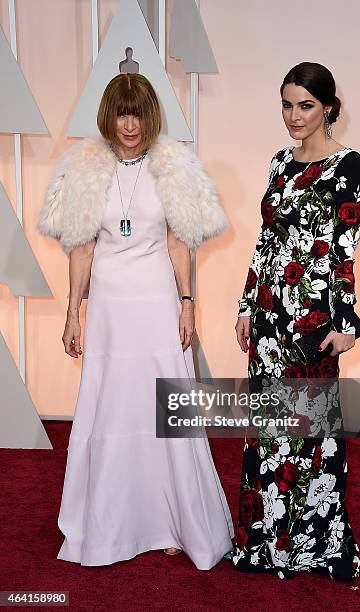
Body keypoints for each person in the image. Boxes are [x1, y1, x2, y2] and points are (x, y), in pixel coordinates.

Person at [37, 73, 234, 569]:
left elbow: (178, 243)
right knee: (113, 407)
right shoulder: (87, 167)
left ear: (151, 115)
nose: (131, 123)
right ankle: (114, 519)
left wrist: (188, 303)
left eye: (139, 112)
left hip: (154, 301)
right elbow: (81, 248)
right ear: (109, 115)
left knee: (163, 409)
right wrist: (71, 312)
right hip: (108, 308)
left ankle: (171, 521)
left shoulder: (171, 167)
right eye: (123, 113)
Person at [233, 62, 360, 580]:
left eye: (305, 105)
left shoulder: (349, 166)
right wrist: (248, 305)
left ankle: (311, 545)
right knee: (270, 433)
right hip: (269, 320)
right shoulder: (278, 163)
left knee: (310, 434)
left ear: (329, 108)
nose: (294, 116)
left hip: (311, 322)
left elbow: (343, 250)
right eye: (287, 104)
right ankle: (266, 543)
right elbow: (266, 240)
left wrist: (345, 321)